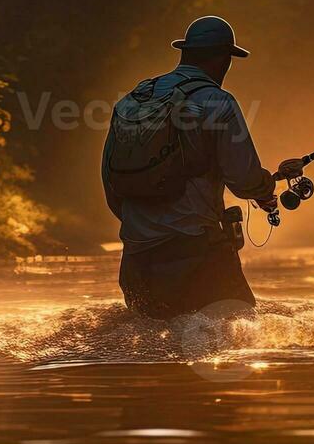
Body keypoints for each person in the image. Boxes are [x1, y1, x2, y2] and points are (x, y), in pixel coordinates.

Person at [105, 16, 303, 318]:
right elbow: (244, 180)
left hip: (136, 255)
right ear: (224, 59)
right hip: (195, 251)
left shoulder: (133, 100)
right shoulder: (218, 102)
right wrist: (266, 189)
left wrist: (142, 226)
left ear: (185, 52)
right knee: (238, 324)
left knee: (153, 341)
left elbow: (111, 182)